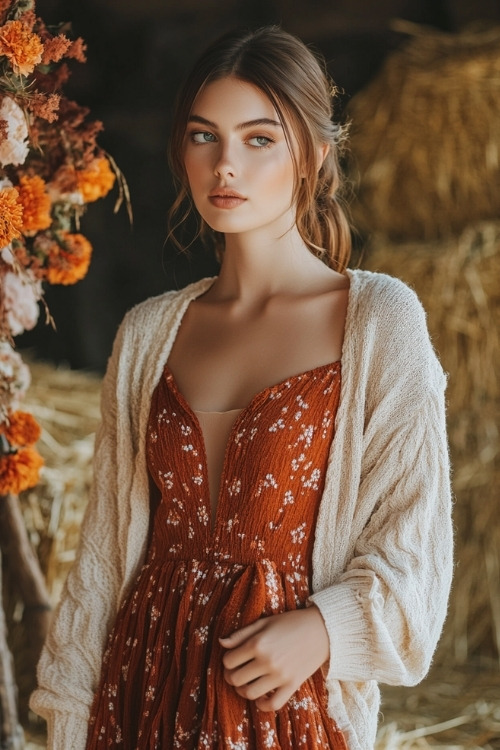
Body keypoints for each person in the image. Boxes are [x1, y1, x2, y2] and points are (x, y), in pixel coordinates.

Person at [30, 25, 453, 750]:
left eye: (260, 139)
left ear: (314, 156)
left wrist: (324, 628)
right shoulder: (147, 334)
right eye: (204, 137)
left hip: (286, 711)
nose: (226, 164)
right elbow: (102, 559)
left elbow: (416, 546)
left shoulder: (380, 320)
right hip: (138, 697)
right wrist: (70, 718)